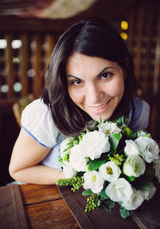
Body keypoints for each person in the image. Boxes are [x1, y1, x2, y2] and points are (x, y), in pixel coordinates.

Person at [9, 18, 150, 185]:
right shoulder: (47, 116)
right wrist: (84, 178)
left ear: (125, 68)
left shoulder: (137, 112)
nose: (94, 97)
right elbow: (18, 170)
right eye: (77, 82)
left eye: (105, 75)